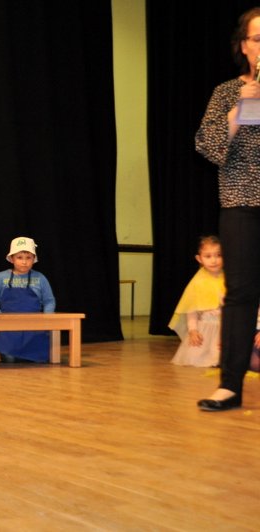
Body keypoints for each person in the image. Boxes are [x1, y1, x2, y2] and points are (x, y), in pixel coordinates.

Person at [195, 7, 260, 411]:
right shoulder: (226, 92)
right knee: (241, 293)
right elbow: (207, 145)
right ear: (244, 46)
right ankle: (230, 385)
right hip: (241, 202)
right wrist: (240, 108)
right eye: (258, 38)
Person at [0, 237, 55, 363]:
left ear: (34, 259)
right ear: (12, 258)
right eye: (19, 257)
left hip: (34, 329)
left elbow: (49, 301)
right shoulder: (1, 277)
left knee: (37, 362)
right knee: (9, 360)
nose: (24, 262)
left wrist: (47, 319)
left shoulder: (40, 278)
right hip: (9, 330)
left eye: (28, 258)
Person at [168, 236, 224, 367]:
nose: (214, 260)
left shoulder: (230, 280)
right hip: (204, 329)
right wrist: (193, 330)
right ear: (199, 259)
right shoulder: (197, 283)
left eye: (218, 255)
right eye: (208, 256)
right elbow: (191, 309)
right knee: (195, 356)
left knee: (221, 357)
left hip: (224, 329)